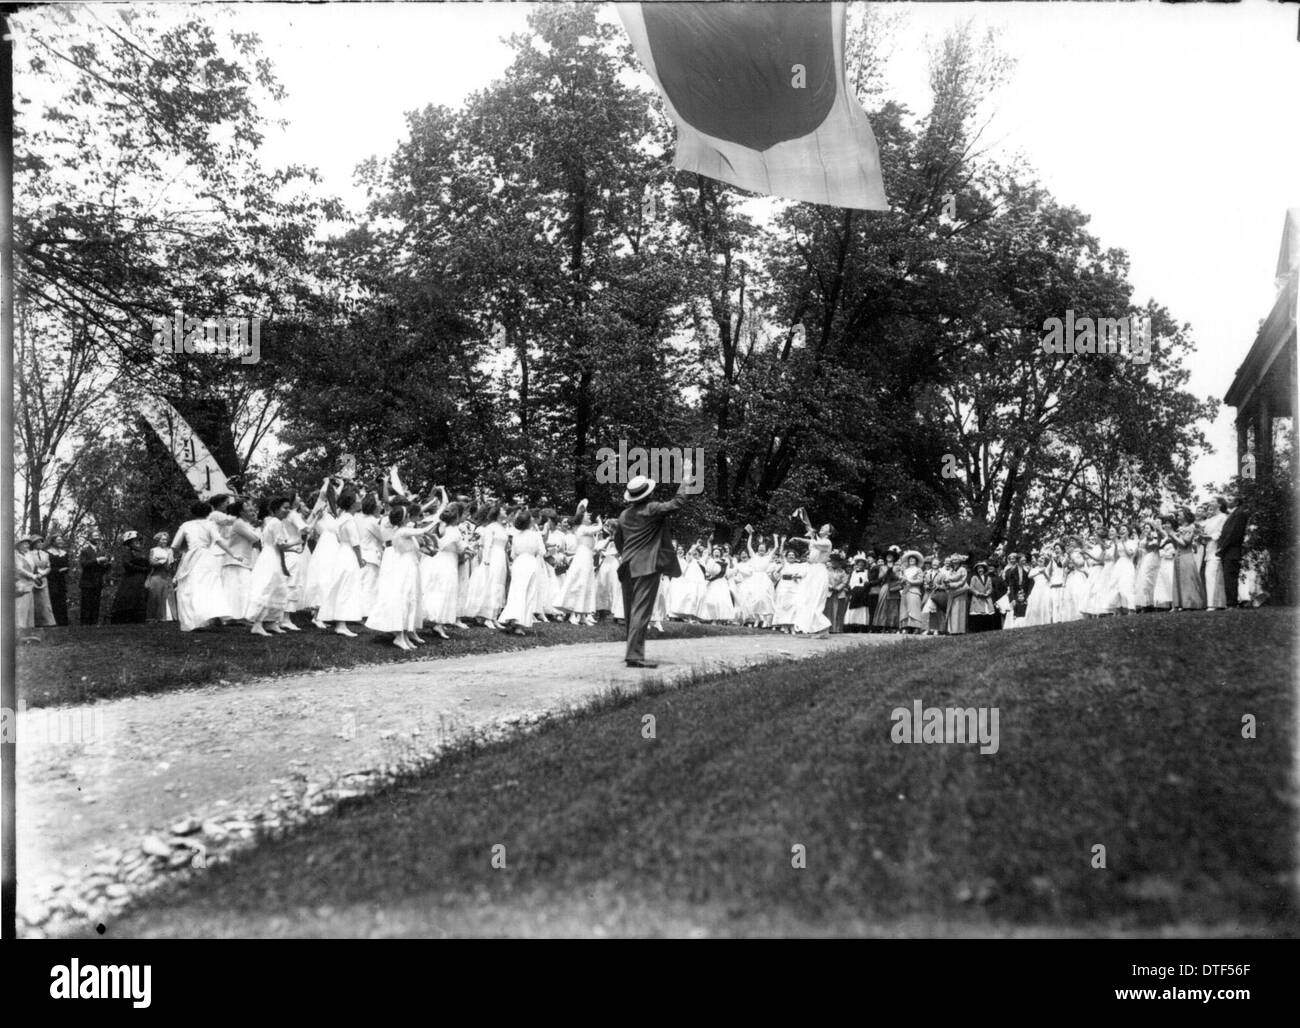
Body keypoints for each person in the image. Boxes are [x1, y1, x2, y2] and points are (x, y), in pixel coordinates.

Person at [612, 458, 696, 668]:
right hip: (646, 566)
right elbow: (677, 503)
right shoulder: (652, 508)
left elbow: (618, 541)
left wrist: (626, 555)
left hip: (627, 565)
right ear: (647, 494)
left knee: (631, 611)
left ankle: (632, 651)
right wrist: (685, 478)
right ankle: (634, 655)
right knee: (641, 611)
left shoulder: (624, 515)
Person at [171, 501, 245, 631]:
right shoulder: (210, 524)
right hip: (207, 557)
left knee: (190, 587)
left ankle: (193, 621)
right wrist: (233, 554)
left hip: (191, 556)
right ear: (207, 513)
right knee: (208, 586)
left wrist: (185, 550)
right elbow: (219, 541)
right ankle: (207, 618)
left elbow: (175, 545)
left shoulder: (185, 525)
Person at [246, 496, 295, 635]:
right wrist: (297, 542)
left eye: (288, 508)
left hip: (272, 556)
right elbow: (280, 544)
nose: (288, 510)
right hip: (270, 558)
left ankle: (272, 622)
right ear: (276, 509)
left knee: (278, 588)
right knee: (267, 587)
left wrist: (291, 549)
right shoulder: (276, 523)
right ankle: (258, 623)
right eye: (285, 508)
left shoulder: (275, 522)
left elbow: (278, 545)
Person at [498, 508, 544, 636]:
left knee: (516, 592)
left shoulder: (516, 536)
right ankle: (519, 624)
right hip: (530, 562)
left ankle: (512, 619)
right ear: (530, 522)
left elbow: (513, 554)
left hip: (519, 563)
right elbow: (542, 552)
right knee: (528, 592)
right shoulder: (535, 535)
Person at [109, 531, 150, 623]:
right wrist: (141, 569)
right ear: (130, 542)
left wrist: (147, 569)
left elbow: (148, 564)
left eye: (138, 541)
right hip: (131, 579)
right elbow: (127, 565)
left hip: (142, 579)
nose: (137, 542)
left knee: (141, 598)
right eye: (135, 541)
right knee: (129, 598)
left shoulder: (143, 553)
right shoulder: (127, 553)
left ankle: (139, 619)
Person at [1172, 507, 1207, 611]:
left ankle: (1191, 603)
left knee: (1187, 579)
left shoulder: (1191, 527)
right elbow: (1177, 544)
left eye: (1180, 515)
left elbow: (1184, 543)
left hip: (1186, 555)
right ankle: (1181, 603)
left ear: (1186, 516)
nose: (1178, 517)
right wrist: (1175, 536)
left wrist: (1173, 535)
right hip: (1178, 555)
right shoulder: (1180, 528)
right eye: (1178, 515)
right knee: (1179, 578)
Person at [1216, 494, 1248, 609]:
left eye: (1230, 499)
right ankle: (1231, 602)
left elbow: (1233, 533)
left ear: (1237, 502)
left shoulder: (1240, 513)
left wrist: (1221, 548)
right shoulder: (1233, 513)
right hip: (1228, 550)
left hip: (1232, 550)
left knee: (1230, 577)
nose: (1227, 501)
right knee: (1228, 577)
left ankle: (1232, 604)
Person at [145, 531, 177, 623]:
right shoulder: (153, 550)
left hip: (167, 575)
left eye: (166, 539)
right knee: (156, 594)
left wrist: (172, 564)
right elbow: (151, 562)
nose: (165, 541)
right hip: (157, 575)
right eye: (163, 539)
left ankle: (169, 617)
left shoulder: (170, 550)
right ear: (159, 540)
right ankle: (155, 617)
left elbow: (171, 565)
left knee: (168, 594)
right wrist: (160, 561)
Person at [79, 532, 110, 625]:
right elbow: (84, 564)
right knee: (86, 606)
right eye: (95, 536)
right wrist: (97, 560)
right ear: (90, 538)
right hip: (87, 582)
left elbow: (103, 570)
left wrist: (108, 564)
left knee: (96, 605)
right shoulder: (84, 550)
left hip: (98, 582)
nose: (97, 538)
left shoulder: (101, 551)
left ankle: (94, 625)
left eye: (98, 536)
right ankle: (84, 627)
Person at [29, 536, 56, 626]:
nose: (40, 544)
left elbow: (49, 567)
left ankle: (48, 622)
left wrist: (43, 573)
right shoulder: (29, 554)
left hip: (43, 579)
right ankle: (34, 622)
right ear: (34, 544)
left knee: (45, 601)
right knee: (34, 602)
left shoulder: (45, 554)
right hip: (32, 579)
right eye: (38, 542)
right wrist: (35, 575)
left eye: (41, 542)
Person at [44, 533, 70, 625]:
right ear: (53, 542)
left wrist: (65, 569)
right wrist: (58, 570)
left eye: (61, 540)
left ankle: (63, 623)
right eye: (58, 540)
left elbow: (67, 565)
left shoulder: (64, 553)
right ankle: (54, 623)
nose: (60, 542)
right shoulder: (47, 553)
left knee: (62, 602)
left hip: (61, 581)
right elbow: (47, 567)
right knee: (53, 601)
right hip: (52, 580)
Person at [15, 536, 40, 628]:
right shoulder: (15, 555)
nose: (27, 545)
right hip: (20, 585)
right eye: (24, 543)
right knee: (20, 610)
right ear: (19, 545)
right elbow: (19, 569)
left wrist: (37, 574)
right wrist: (32, 576)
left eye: (28, 543)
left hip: (30, 585)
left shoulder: (29, 554)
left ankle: (29, 634)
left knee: (29, 611)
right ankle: (19, 633)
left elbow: (34, 567)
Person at [897, 550, 925, 633]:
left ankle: (916, 627)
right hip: (905, 591)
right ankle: (906, 626)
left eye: (913, 559)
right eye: (910, 559)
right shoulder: (905, 570)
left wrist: (909, 580)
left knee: (914, 609)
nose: (911, 560)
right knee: (905, 609)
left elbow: (920, 581)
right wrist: (902, 580)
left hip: (914, 590)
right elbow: (902, 582)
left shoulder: (918, 570)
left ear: (916, 560)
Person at [967, 560, 997, 632]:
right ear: (976, 570)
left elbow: (990, 587)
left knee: (987, 614)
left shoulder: (988, 578)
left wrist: (987, 593)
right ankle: (978, 630)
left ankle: (987, 629)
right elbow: (971, 587)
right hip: (977, 598)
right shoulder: (974, 577)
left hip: (986, 597)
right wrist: (977, 593)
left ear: (984, 569)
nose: (980, 570)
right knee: (978, 615)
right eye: (978, 568)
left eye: (981, 568)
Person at [844, 554, 871, 632]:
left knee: (862, 609)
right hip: (854, 592)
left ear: (864, 564)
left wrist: (866, 586)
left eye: (862, 563)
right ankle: (852, 626)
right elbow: (850, 582)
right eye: (859, 563)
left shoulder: (867, 572)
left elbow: (869, 582)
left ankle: (862, 627)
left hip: (863, 592)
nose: (860, 564)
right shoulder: (853, 573)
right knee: (853, 609)